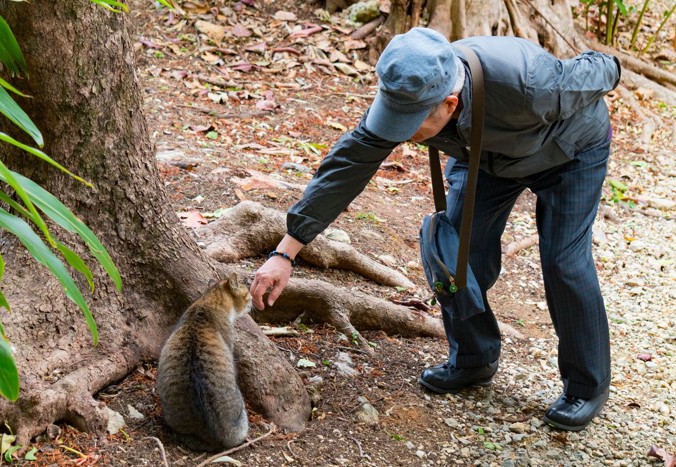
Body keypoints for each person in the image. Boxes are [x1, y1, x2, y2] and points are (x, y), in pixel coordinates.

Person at [250, 27, 620, 432]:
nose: (402, 134)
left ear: (449, 103)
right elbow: (347, 167)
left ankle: (586, 385)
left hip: (569, 152)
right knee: (454, 247)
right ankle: (473, 359)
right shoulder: (410, 86)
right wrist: (285, 253)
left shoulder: (531, 85)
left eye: (410, 125)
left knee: (564, 261)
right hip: (484, 157)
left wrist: (610, 67)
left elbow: (602, 67)